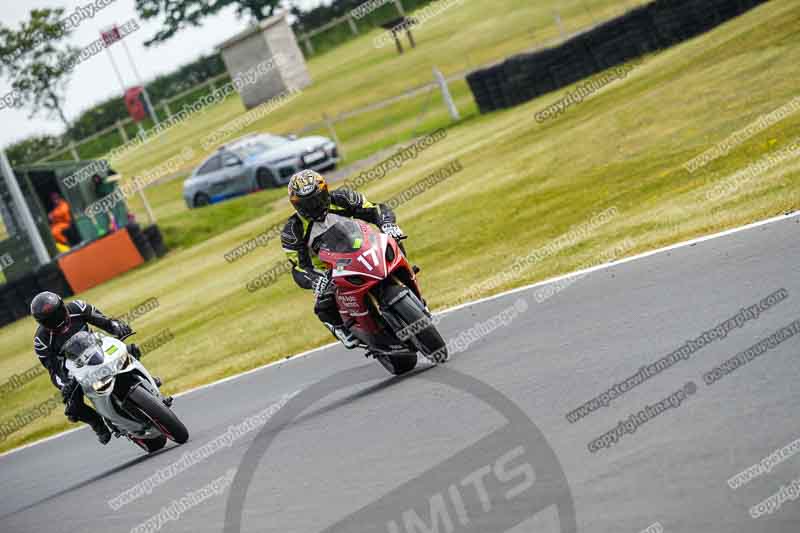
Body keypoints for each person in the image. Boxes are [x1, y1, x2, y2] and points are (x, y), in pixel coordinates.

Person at [281, 170, 405, 348]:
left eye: (317, 199)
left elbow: (375, 209)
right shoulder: (292, 230)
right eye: (306, 204)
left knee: (391, 240)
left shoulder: (343, 198)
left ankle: (405, 277)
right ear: (296, 205)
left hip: (363, 248)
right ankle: (342, 328)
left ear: (325, 192)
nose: (314, 206)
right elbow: (299, 267)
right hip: (330, 270)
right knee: (324, 301)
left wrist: (388, 224)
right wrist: (315, 280)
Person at [31, 291, 136, 444]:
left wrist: (117, 328)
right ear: (42, 323)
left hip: (96, 347)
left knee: (130, 350)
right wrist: (65, 384)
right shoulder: (41, 340)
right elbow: (53, 370)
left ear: (62, 306)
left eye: (58, 314)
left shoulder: (78, 307)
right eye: (50, 320)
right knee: (73, 407)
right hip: (73, 369)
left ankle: (146, 380)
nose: (57, 321)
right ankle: (98, 424)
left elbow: (105, 321)